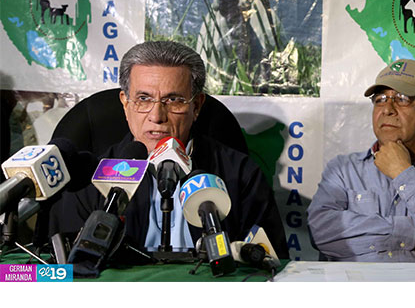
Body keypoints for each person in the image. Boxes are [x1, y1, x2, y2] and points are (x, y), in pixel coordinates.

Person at [49, 41, 288, 259]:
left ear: (196, 106)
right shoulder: (89, 178)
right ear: (125, 103)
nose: (156, 116)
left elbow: (269, 264)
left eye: (173, 100)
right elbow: (65, 270)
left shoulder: (241, 174)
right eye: (143, 99)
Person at [307, 59, 415, 263]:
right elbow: (319, 231)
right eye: (380, 99)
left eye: (402, 99)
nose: (387, 109)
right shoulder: (343, 170)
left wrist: (403, 172)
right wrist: (412, 237)